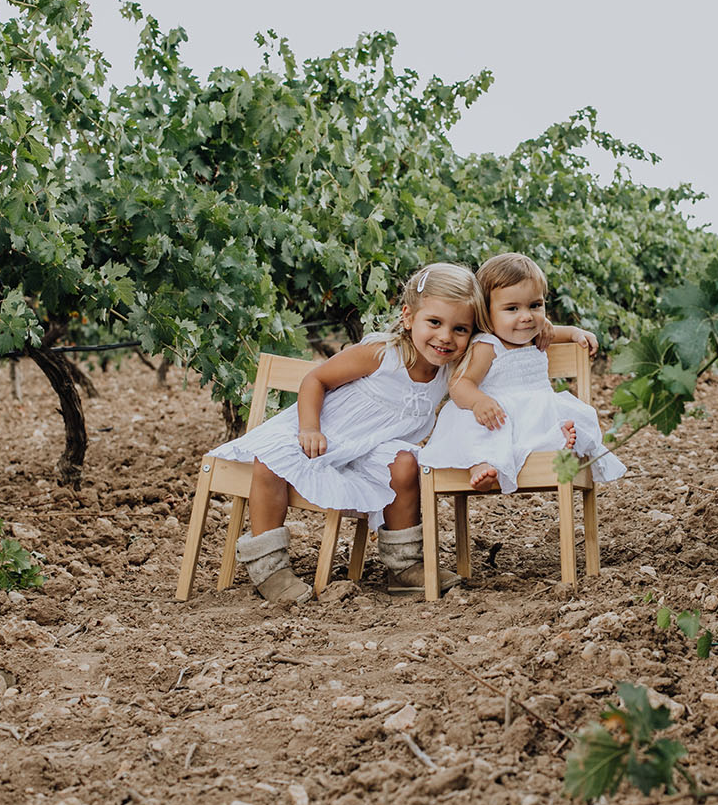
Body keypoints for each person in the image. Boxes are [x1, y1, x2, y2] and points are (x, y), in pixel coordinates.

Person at [206, 263, 479, 603]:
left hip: (369, 449)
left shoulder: (451, 372)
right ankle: (269, 568)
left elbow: (501, 348)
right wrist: (310, 427)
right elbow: (316, 379)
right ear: (409, 317)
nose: (446, 337)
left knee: (405, 463)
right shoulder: (382, 355)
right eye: (434, 322)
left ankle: (404, 565)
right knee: (271, 462)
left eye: (460, 329)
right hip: (323, 432)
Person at [419, 252, 626, 494]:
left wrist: (575, 333)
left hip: (535, 414)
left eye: (535, 305)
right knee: (474, 427)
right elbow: (459, 383)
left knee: (554, 416)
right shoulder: (488, 346)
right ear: (486, 312)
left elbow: (560, 332)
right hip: (495, 416)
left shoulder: (537, 336)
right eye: (512, 308)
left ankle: (554, 441)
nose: (526, 316)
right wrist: (478, 402)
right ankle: (480, 465)